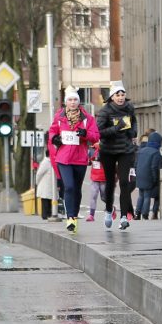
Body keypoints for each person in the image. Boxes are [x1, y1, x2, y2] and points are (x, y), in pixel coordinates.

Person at [48, 87, 100, 233]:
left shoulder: (87, 119)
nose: (72, 102)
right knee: (69, 187)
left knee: (76, 189)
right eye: (70, 100)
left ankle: (74, 216)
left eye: (75, 100)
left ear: (79, 101)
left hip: (80, 158)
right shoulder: (59, 117)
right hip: (63, 158)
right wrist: (55, 138)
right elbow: (52, 131)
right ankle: (70, 217)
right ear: (66, 102)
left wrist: (85, 134)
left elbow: (95, 136)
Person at [95, 81, 137, 230]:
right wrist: (116, 128)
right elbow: (98, 132)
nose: (120, 97)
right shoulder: (105, 111)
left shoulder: (129, 108)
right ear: (112, 97)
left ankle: (124, 216)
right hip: (108, 150)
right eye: (117, 95)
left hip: (125, 150)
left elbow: (134, 122)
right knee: (110, 183)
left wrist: (133, 133)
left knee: (124, 182)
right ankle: (108, 211)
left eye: (122, 94)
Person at [134, 131, 162, 220]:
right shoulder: (156, 153)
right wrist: (155, 179)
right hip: (149, 177)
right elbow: (154, 167)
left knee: (141, 195)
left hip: (140, 176)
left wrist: (137, 174)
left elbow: (136, 164)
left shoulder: (141, 151)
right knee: (147, 196)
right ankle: (145, 214)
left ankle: (137, 213)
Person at [35, 145, 57, 220]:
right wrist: (37, 182)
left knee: (49, 201)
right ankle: (45, 215)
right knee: (45, 201)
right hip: (45, 186)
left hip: (50, 186)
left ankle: (49, 214)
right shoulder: (46, 162)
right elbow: (39, 173)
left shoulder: (51, 162)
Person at [85, 143, 106, 222]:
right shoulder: (92, 149)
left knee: (104, 197)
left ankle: (111, 207)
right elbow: (89, 162)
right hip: (94, 177)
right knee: (93, 196)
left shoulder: (105, 148)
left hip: (104, 178)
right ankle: (91, 215)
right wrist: (89, 160)